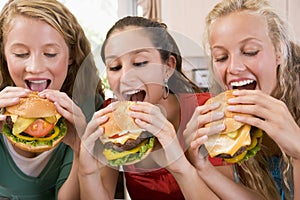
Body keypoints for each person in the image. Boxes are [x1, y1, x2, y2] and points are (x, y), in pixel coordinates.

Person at [78, 16, 231, 200]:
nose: (125, 76)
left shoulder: (208, 110)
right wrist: (87, 172)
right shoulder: (110, 118)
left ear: (168, 67)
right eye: (115, 67)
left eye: (140, 62)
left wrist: (180, 163)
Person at [187, 0, 300, 199]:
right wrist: (202, 167)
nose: (233, 68)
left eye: (250, 52)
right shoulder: (226, 126)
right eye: (221, 57)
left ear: (279, 52)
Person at [0, 0, 104, 199]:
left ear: (71, 55)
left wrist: (80, 151)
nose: (35, 67)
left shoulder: (88, 109)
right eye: (20, 54)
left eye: (50, 53)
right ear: (4, 55)